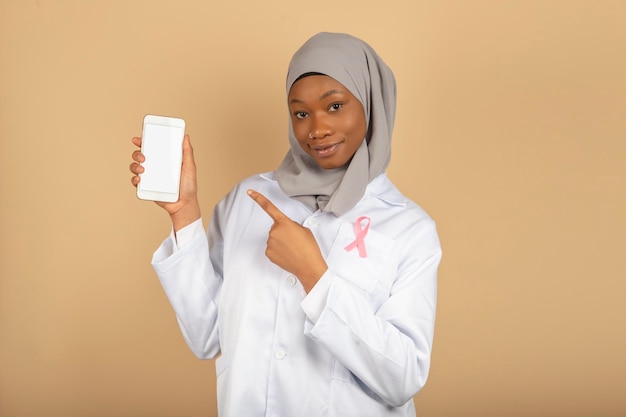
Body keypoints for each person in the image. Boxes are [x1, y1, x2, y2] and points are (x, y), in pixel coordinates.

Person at [130, 32, 441, 417]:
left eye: (336, 105)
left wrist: (316, 276)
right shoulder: (248, 200)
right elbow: (206, 336)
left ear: (371, 104)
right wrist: (184, 214)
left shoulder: (408, 228)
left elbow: (404, 377)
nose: (317, 129)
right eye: (300, 113)